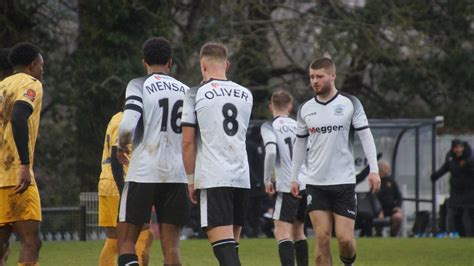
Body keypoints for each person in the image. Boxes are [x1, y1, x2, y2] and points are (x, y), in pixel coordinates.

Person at [290, 57, 380, 266]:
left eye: (319, 76)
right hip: (316, 183)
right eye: (311, 77)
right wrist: (294, 177)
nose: (314, 81)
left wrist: (374, 170)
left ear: (333, 76)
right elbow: (300, 145)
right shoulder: (305, 109)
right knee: (321, 239)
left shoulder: (350, 103)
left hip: (344, 183)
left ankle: (348, 262)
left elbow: (366, 136)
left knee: (345, 240)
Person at [116, 37, 191, 266]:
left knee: (126, 241)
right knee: (172, 248)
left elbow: (128, 124)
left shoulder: (138, 84)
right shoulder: (187, 91)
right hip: (177, 175)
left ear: (144, 61)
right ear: (170, 62)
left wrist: (122, 146)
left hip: (144, 171)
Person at [182, 42, 253, 266]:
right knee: (232, 248)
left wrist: (191, 180)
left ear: (203, 65)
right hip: (241, 177)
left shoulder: (195, 94)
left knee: (224, 252)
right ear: (227, 65)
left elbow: (187, 142)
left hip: (214, 177)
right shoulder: (245, 94)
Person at [0, 42, 44, 266]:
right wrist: (25, 165)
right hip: (16, 174)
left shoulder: (2, 86)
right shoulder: (31, 83)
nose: (42, 71)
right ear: (32, 65)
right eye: (41, 66)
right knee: (31, 241)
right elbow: (19, 116)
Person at [98, 91, 153, 266]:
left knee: (115, 238)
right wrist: (124, 190)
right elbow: (116, 156)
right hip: (120, 183)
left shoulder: (115, 119)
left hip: (108, 183)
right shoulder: (124, 120)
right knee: (142, 233)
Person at [260, 90, 308, 266]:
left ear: (270, 106)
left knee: (282, 232)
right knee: (299, 231)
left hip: (287, 185)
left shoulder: (269, 126)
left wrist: (267, 180)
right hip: (305, 182)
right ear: (290, 106)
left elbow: (271, 150)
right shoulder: (299, 125)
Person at [431, 139, 474, 237]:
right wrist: (433, 176)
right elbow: (442, 171)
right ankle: (461, 236)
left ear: (463, 148)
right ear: (453, 149)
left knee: (469, 217)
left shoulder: (470, 160)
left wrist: (468, 166)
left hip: (469, 195)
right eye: (456, 147)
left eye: (460, 147)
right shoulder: (451, 162)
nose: (458, 150)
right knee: (455, 217)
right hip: (456, 194)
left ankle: (471, 237)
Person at [375, 160, 403, 237]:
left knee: (398, 217)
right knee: (378, 218)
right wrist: (379, 211)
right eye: (386, 168)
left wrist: (398, 207)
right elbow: (373, 199)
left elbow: (399, 196)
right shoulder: (376, 181)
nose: (389, 169)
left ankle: (393, 236)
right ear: (381, 169)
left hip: (391, 209)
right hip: (379, 210)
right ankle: (378, 235)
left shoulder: (392, 181)